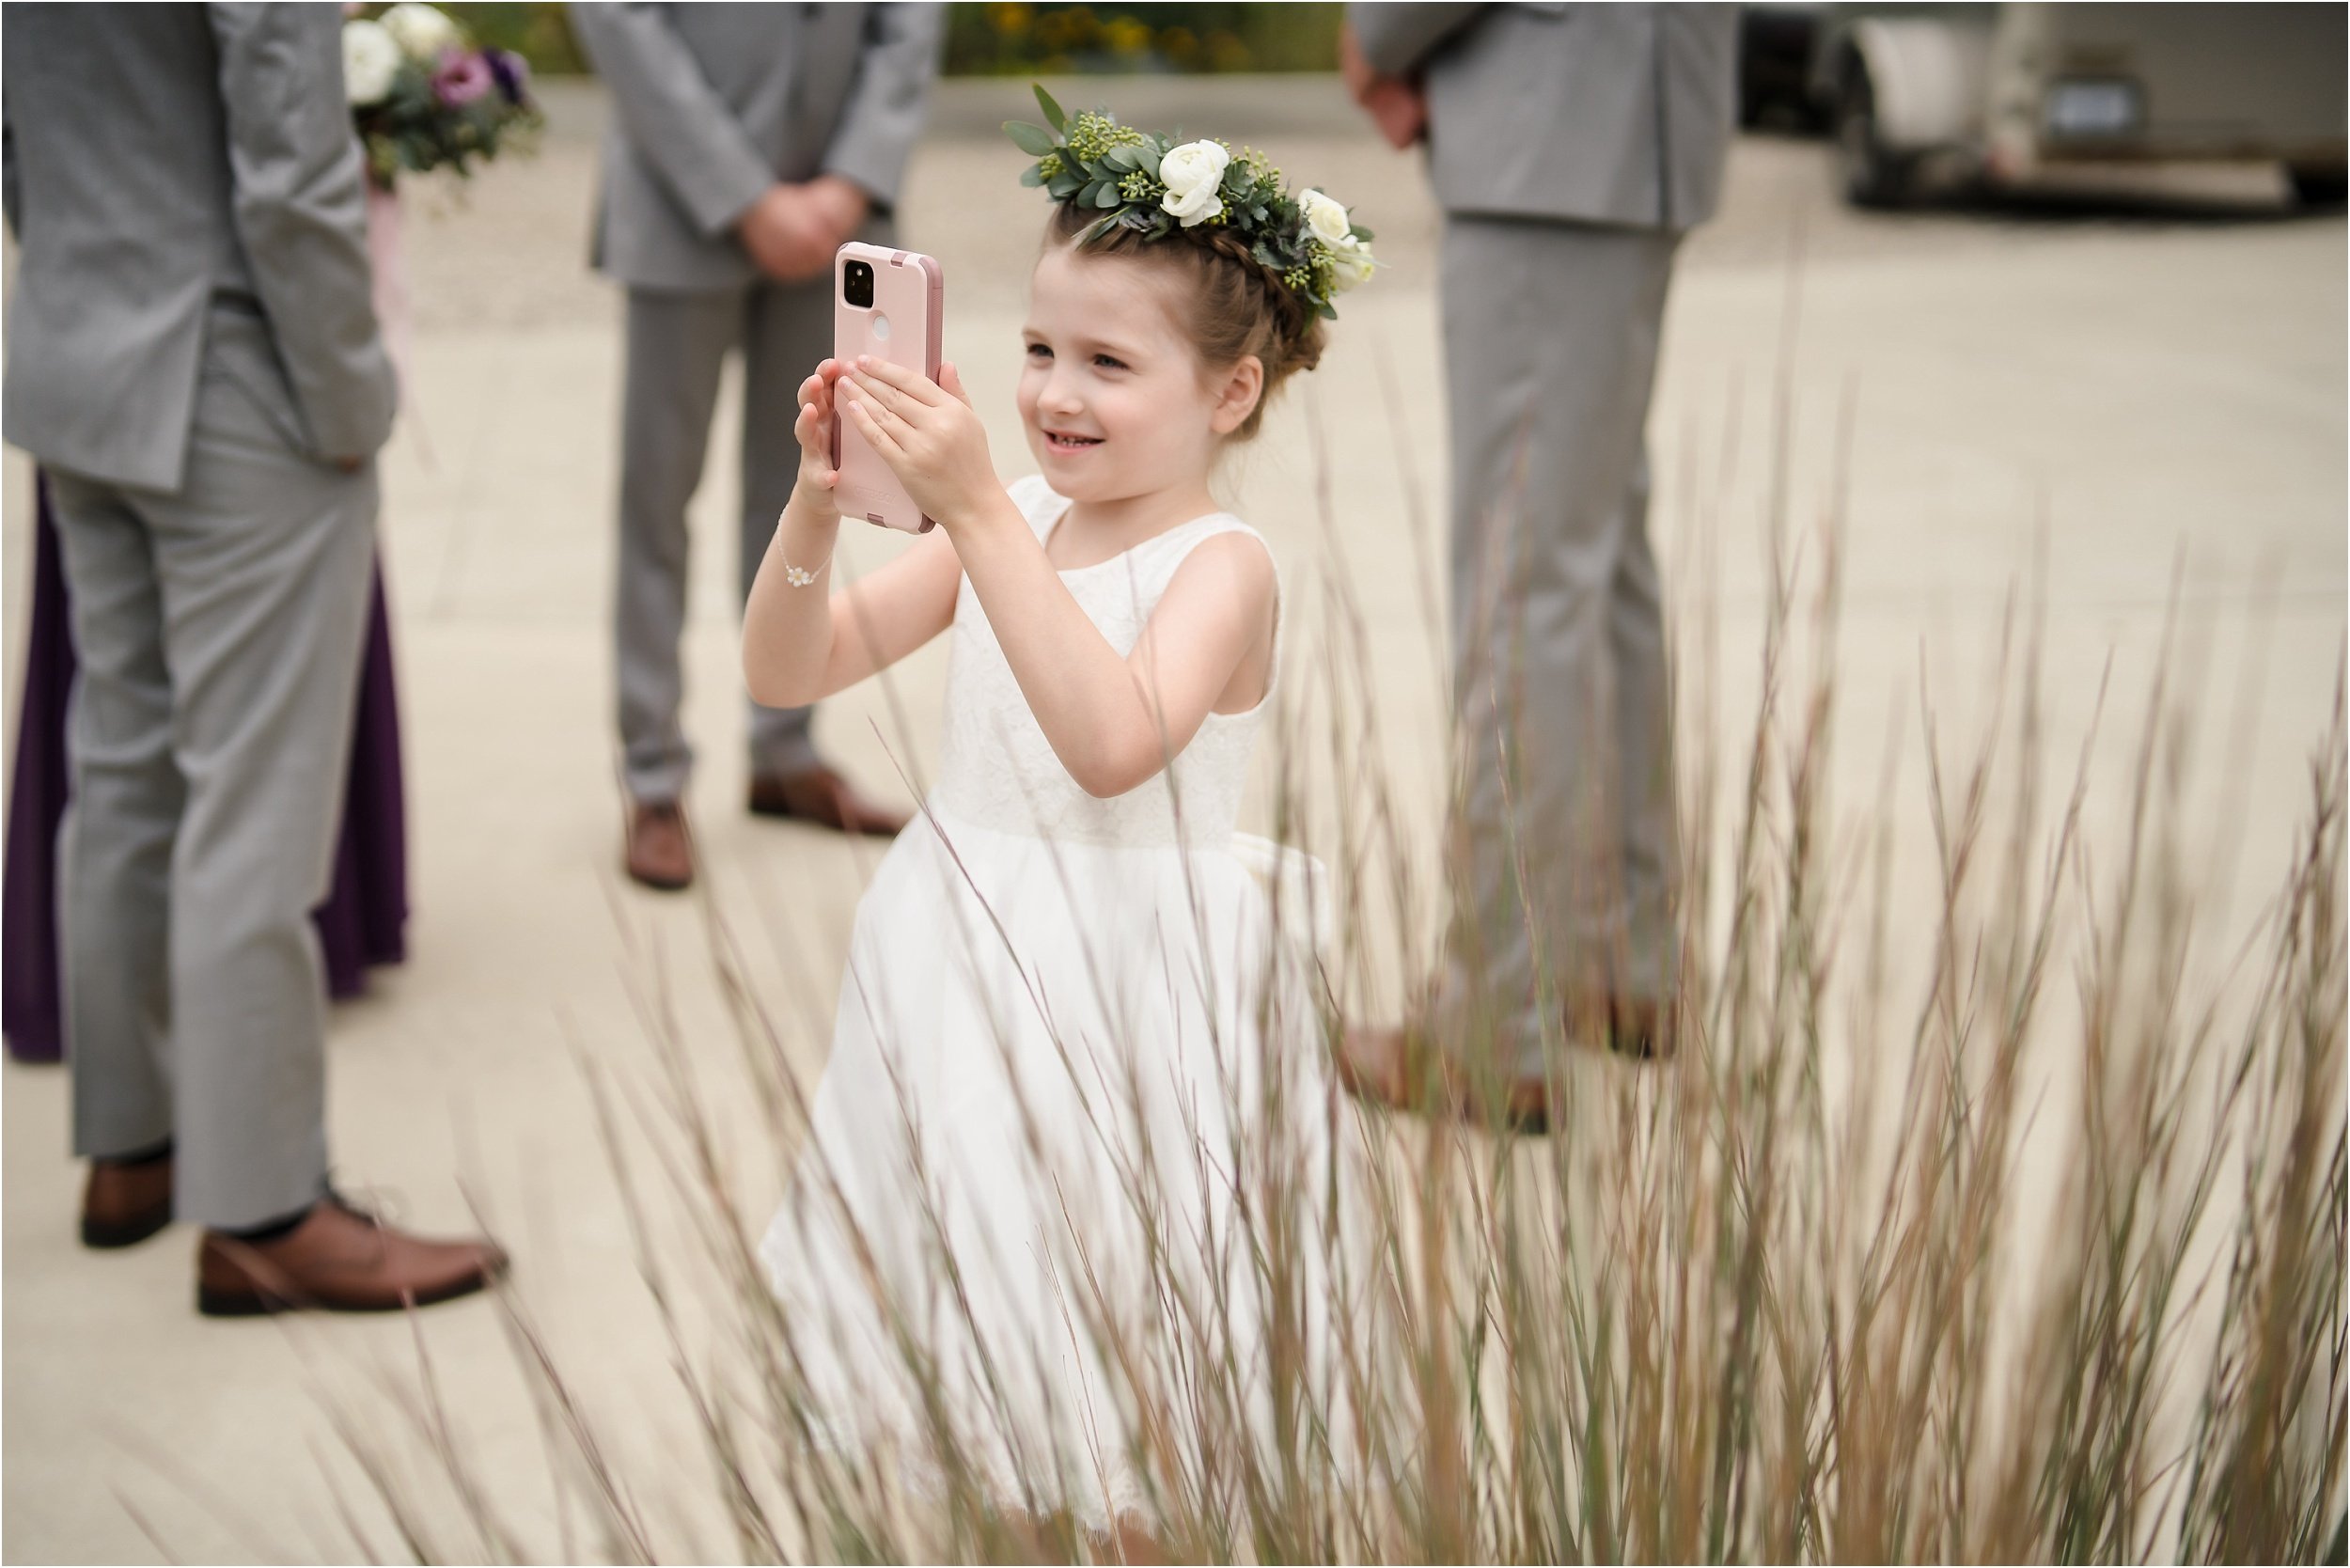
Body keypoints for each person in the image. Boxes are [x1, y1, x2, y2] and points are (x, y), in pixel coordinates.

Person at [746, 102, 1367, 1537]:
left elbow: (1110, 748)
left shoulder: (1225, 566)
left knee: (1125, 1347)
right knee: (981, 1315)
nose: (1054, 394)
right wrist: (819, 503)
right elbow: (791, 669)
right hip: (958, 950)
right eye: (1037, 349)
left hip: (1133, 981)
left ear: (1229, 394)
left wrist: (977, 514)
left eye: (1108, 363)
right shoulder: (1013, 516)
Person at [0, 5, 503, 1314]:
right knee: (256, 807)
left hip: (78, 350)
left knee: (121, 765)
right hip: (232, 368)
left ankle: (134, 1150)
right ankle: (269, 1210)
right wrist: (349, 397)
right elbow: (290, 155)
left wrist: (72, 276)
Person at [1336, 4, 1738, 1130]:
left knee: (1529, 579)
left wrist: (1380, 31)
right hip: (1635, 113)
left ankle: (1492, 1027)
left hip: (1552, 124)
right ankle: (1619, 959)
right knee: (1593, 558)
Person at [570, 2, 946, 891]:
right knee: (658, 497)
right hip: (679, 201)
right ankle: (654, 774)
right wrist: (744, 195)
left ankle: (783, 749)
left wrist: (852, 178)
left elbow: (909, 23)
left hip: (836, 217)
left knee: (807, 482)